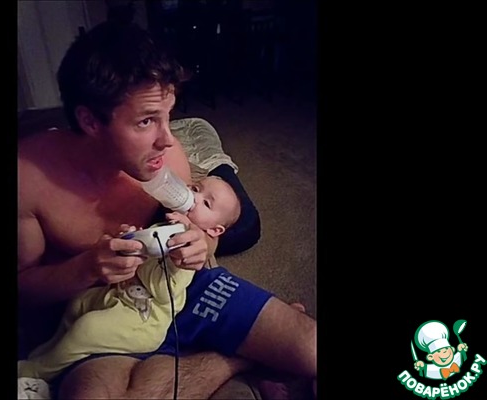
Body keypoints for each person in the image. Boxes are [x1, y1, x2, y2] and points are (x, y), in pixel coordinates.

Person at [18, 21, 316, 399]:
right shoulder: (29, 178)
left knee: (310, 350)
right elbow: (23, 290)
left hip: (183, 288)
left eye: (169, 115)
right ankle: (236, 360)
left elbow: (203, 233)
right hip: (107, 311)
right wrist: (86, 268)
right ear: (90, 121)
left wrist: (202, 245)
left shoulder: (168, 162)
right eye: (146, 121)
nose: (168, 139)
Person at [18, 175, 241, 389]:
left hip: (143, 317)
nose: (194, 199)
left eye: (206, 203)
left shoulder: (187, 253)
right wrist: (129, 239)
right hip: (120, 294)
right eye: (195, 189)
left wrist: (170, 253)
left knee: (87, 329)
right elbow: (137, 251)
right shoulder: (164, 226)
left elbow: (163, 293)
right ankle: (48, 351)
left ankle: (38, 371)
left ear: (215, 230)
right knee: (79, 303)